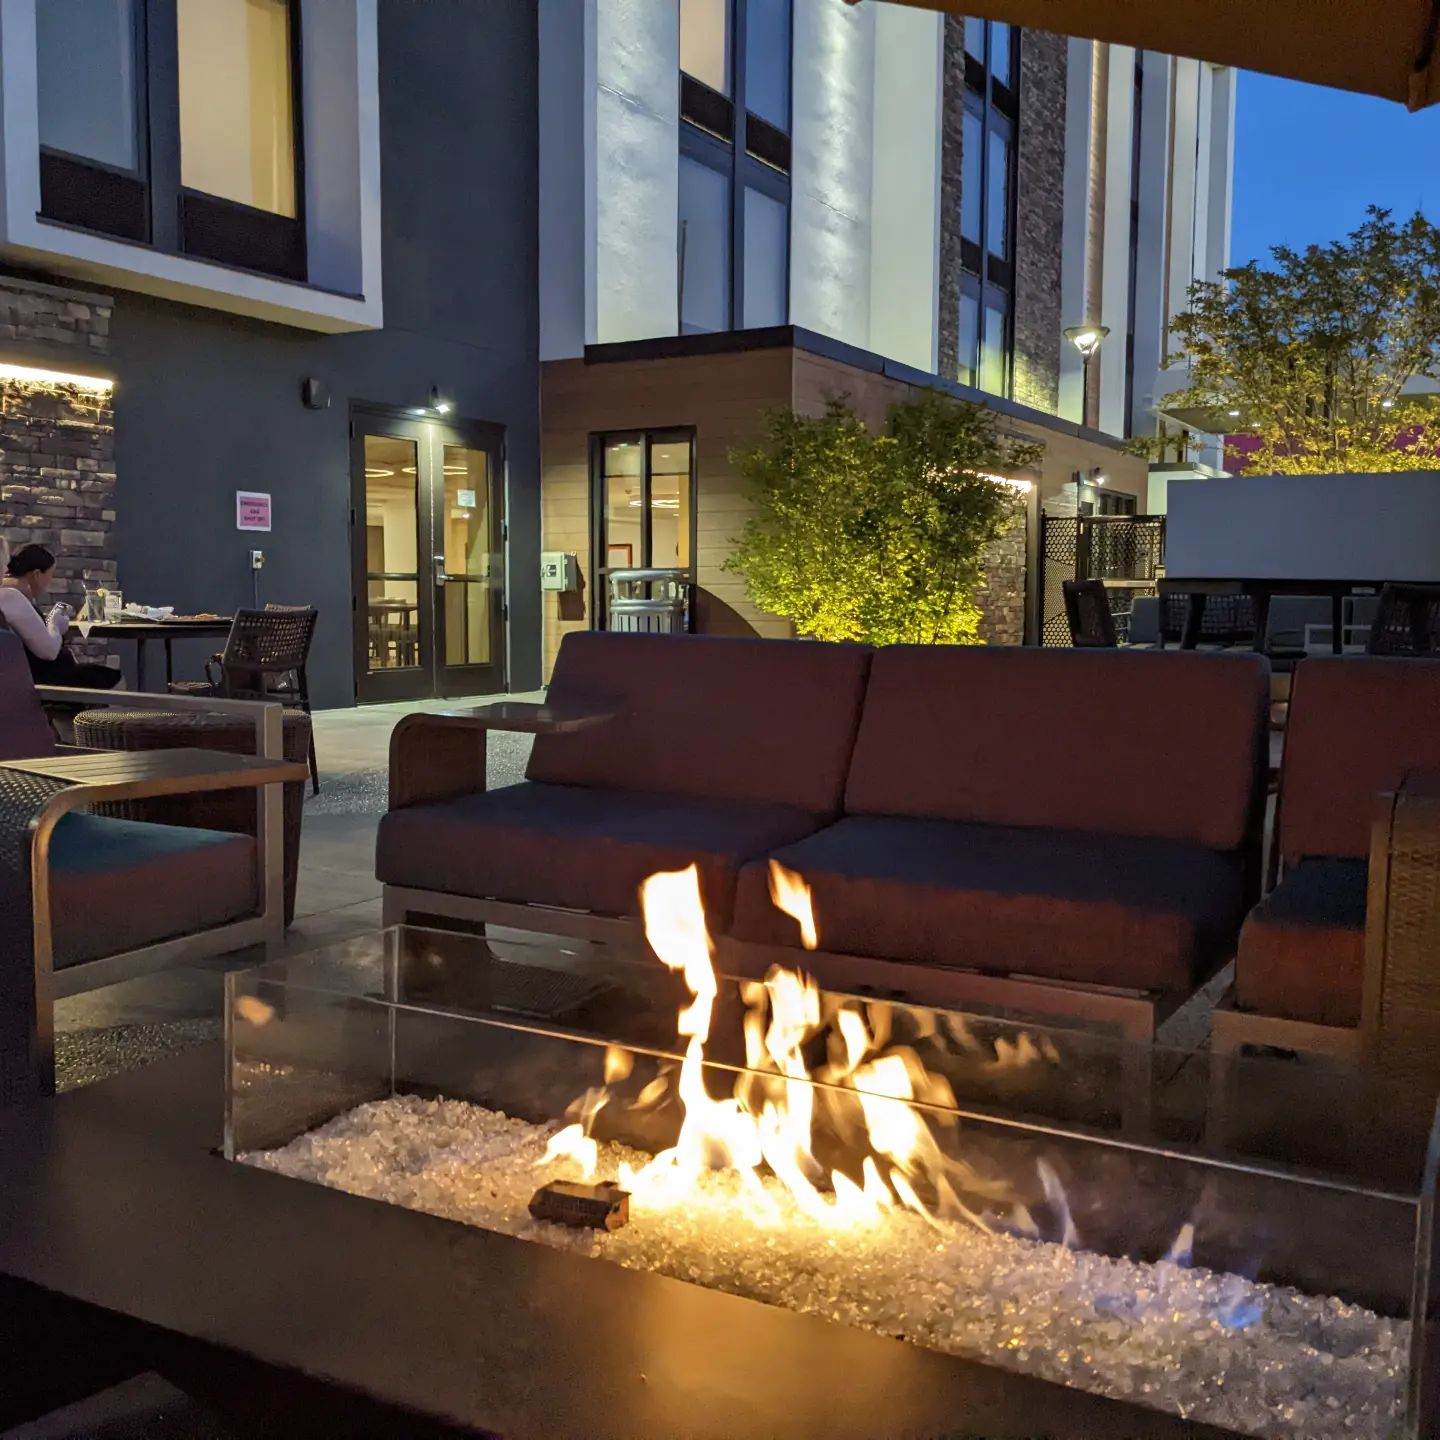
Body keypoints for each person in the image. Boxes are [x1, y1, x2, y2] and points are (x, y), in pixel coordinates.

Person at [0, 540, 122, 689]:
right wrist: (54, 621)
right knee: (116, 679)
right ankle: (117, 713)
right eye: (3, 562)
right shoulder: (10, 597)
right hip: (44, 684)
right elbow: (49, 651)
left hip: (32, 679)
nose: (6, 569)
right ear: (37, 574)